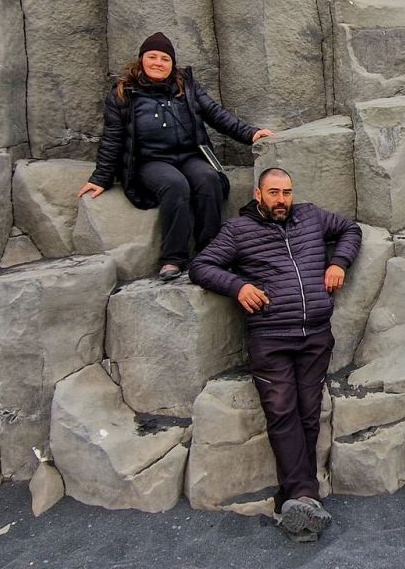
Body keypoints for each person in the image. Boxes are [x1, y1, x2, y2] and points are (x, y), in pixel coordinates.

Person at [189, 168, 361, 542]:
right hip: (271, 338)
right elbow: (201, 266)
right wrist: (238, 286)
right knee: (282, 413)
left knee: (309, 413)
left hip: (316, 335)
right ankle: (304, 496)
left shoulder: (311, 216)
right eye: (273, 193)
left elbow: (350, 229)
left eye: (286, 192)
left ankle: (295, 498)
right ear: (258, 194)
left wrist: (338, 262)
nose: (281, 200)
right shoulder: (238, 230)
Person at [78, 32, 274, 280]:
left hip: (189, 156)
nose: (158, 63)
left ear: (172, 64)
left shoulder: (186, 87)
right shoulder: (123, 94)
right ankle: (173, 257)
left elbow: (216, 114)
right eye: (152, 57)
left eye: (165, 59)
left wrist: (251, 133)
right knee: (175, 184)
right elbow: (112, 138)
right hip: (150, 161)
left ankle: (211, 252)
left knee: (208, 179)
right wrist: (101, 178)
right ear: (141, 60)